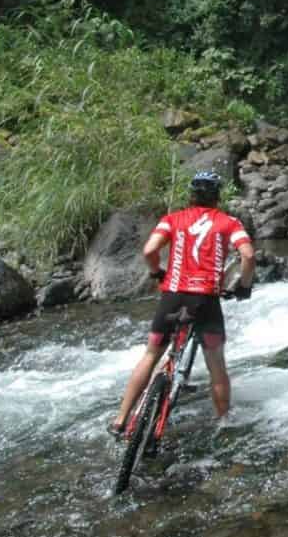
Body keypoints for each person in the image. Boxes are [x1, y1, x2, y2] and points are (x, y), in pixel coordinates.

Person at [108, 170, 255, 436]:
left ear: (191, 195)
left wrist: (156, 273)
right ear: (217, 196)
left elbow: (149, 250)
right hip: (206, 300)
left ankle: (120, 420)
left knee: (151, 355)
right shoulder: (229, 222)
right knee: (216, 365)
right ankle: (224, 422)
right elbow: (248, 254)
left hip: (173, 295)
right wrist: (244, 286)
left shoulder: (172, 219)